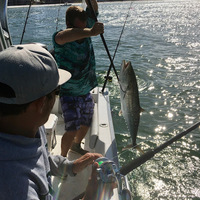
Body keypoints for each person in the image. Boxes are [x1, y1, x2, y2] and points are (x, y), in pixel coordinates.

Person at [0, 44, 103, 200]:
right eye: (56, 91)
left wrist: (69, 166)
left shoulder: (31, 127)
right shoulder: (15, 187)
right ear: (40, 104)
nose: (57, 97)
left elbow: (39, 158)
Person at [52, 0, 104, 156]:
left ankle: (76, 146)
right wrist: (90, 32)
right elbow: (64, 36)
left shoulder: (84, 27)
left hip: (85, 89)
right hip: (69, 91)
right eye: (79, 25)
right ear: (68, 22)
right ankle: (62, 159)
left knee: (86, 122)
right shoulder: (60, 37)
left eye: (85, 24)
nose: (83, 26)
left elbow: (93, 8)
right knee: (72, 128)